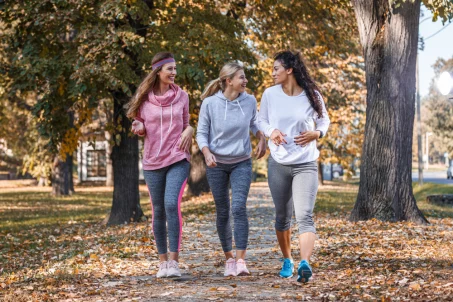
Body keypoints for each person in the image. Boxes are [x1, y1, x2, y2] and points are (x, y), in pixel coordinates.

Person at [258, 50, 330, 282]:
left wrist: (316, 133)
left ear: (289, 70)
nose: (273, 73)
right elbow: (261, 120)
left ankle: (305, 263)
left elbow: (324, 120)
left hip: (306, 164)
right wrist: (272, 132)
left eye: (276, 68)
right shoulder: (270, 94)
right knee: (282, 216)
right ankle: (288, 259)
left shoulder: (312, 95)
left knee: (305, 215)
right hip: (279, 163)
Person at [196, 62, 266, 277]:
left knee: (238, 208)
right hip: (216, 163)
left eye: (245, 77)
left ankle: (241, 260)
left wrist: (261, 137)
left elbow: (254, 123)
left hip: (241, 162)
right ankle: (229, 259)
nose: (245, 81)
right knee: (223, 210)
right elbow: (201, 133)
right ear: (228, 81)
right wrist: (207, 153)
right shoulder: (209, 104)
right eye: (241, 77)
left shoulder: (250, 101)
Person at [127, 52, 193, 278]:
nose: (174, 73)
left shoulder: (182, 96)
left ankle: (174, 262)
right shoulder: (144, 100)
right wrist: (139, 126)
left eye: (175, 68)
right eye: (170, 69)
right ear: (158, 71)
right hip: (153, 160)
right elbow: (140, 124)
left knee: (170, 204)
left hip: (177, 158)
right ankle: (162, 261)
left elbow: (186, 124)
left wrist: (190, 130)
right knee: (158, 211)